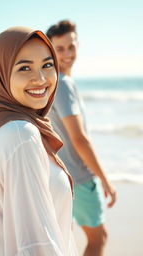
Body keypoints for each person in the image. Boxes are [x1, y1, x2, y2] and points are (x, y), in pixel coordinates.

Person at [0, 27, 78, 255]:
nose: (40, 79)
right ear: (0, 74)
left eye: (47, 65)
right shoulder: (22, 135)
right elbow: (36, 245)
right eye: (24, 68)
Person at [46, 20, 116, 256]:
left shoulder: (53, 83)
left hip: (62, 176)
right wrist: (104, 179)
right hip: (80, 178)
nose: (67, 54)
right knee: (99, 238)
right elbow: (80, 139)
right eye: (60, 48)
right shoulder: (63, 85)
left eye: (71, 46)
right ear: (51, 51)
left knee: (68, 242)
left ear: (78, 45)